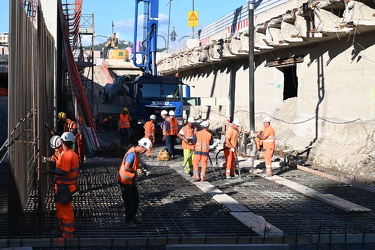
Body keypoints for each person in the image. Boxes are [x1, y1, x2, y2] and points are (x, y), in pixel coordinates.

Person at [44, 132, 79, 238]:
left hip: (65, 187)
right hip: (63, 186)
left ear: (63, 142)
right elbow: (56, 158)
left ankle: (68, 233)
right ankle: (62, 228)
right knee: (60, 209)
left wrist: (49, 171)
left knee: (66, 210)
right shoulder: (69, 154)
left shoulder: (68, 155)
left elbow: (64, 172)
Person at [118, 138, 152, 227]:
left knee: (135, 200)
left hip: (130, 180)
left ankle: (133, 217)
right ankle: (129, 221)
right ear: (141, 146)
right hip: (125, 181)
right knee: (129, 202)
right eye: (144, 150)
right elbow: (126, 167)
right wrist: (136, 171)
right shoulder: (132, 154)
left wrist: (140, 168)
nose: (144, 152)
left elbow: (134, 164)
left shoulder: (135, 153)